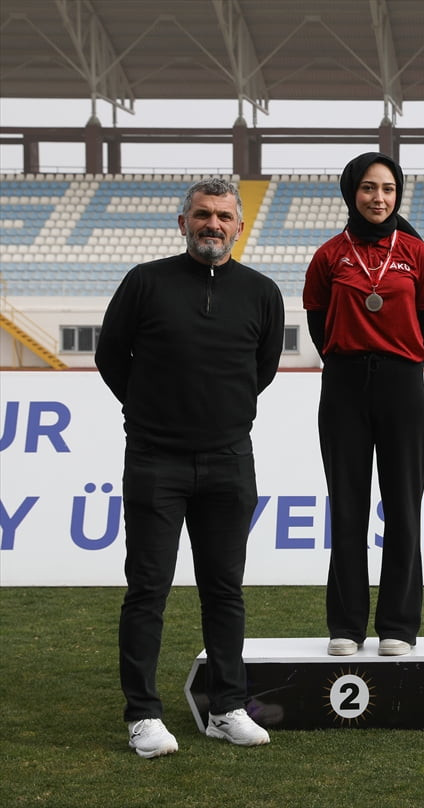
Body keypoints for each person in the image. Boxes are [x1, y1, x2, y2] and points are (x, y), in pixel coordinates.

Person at [95, 177, 284, 759]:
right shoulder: (145, 282)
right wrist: (150, 413)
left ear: (239, 227)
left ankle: (227, 707)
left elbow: (263, 368)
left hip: (229, 460)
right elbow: (110, 357)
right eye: (202, 214)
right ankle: (143, 717)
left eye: (224, 216)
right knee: (147, 589)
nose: (213, 225)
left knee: (224, 589)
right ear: (183, 222)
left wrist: (219, 420)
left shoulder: (261, 291)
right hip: (155, 460)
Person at [303, 152, 424, 658]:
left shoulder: (417, 253)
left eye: (387, 189)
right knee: (347, 506)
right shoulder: (328, 255)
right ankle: (345, 624)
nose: (378, 198)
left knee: (403, 508)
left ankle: (399, 626)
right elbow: (318, 322)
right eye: (367, 188)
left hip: (403, 386)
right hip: (342, 386)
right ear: (351, 192)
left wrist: (399, 362)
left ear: (397, 195)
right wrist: (349, 358)